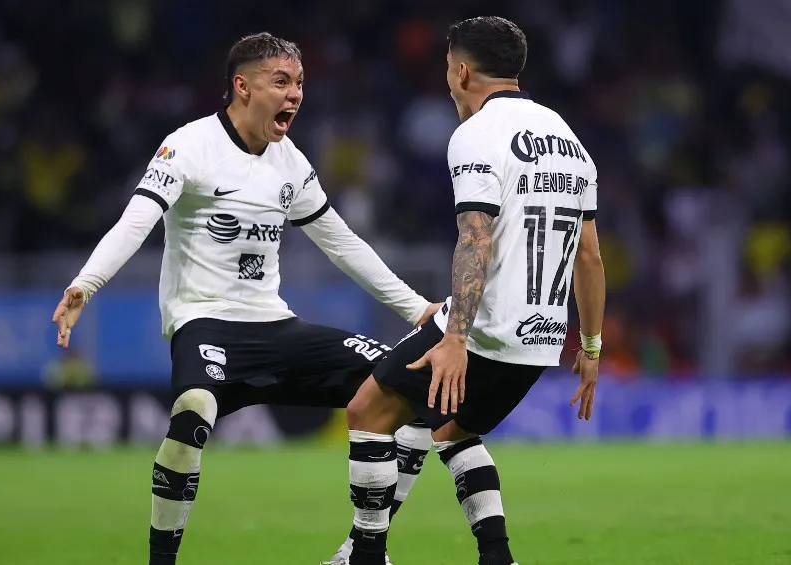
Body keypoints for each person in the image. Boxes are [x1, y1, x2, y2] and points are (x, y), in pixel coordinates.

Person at [50, 32, 439, 565]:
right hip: (205, 322)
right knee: (193, 413)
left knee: (409, 382)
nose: (295, 94)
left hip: (274, 325)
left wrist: (417, 308)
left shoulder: (290, 161)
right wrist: (86, 284)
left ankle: (362, 550)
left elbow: (342, 243)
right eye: (281, 81)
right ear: (242, 86)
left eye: (299, 83)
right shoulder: (188, 146)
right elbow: (137, 220)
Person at [339, 16, 606, 565]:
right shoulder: (570, 142)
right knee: (447, 430)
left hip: (483, 327)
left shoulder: (477, 134)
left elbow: (475, 237)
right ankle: (496, 556)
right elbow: (589, 255)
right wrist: (592, 346)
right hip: (540, 339)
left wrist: (455, 337)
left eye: (447, 70)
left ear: (462, 72)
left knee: (367, 411)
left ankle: (364, 555)